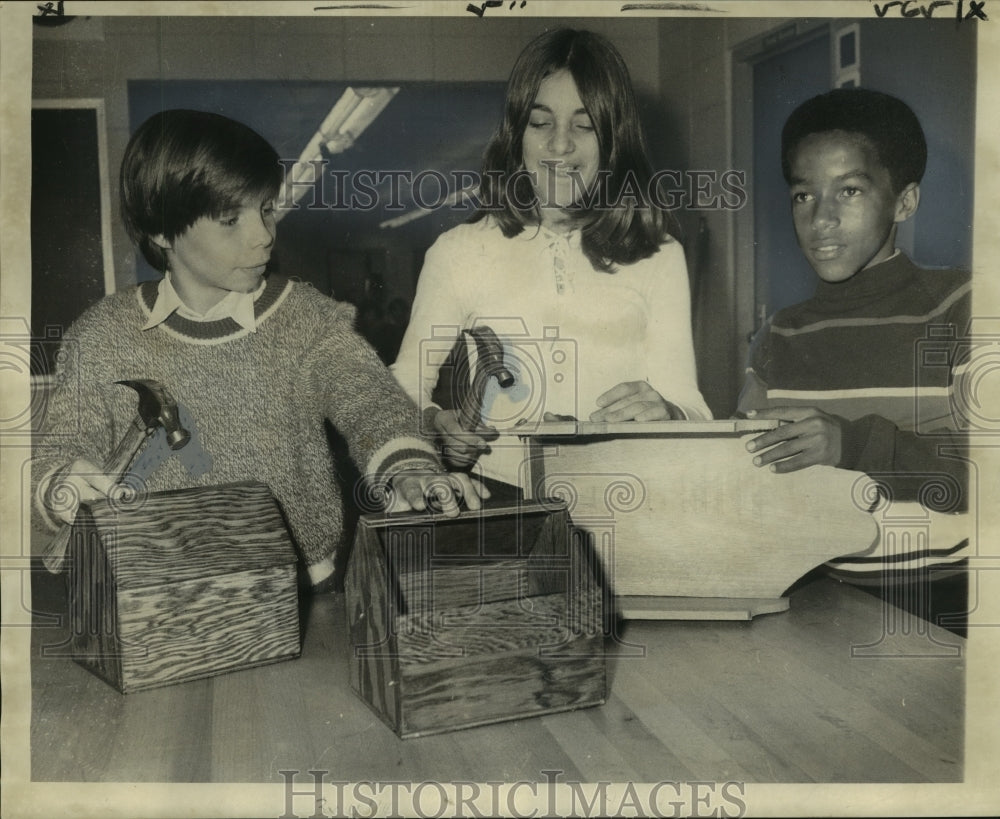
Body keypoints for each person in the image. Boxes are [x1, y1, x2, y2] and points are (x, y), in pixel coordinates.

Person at [32, 109, 484, 592]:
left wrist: (410, 470)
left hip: (307, 594)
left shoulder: (307, 320)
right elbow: (60, 452)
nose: (264, 235)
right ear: (162, 231)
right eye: (230, 220)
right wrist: (63, 487)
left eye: (266, 208)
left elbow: (372, 403)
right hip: (162, 598)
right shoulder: (100, 336)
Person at [390, 28, 710, 489]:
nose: (560, 145)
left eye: (584, 125)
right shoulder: (461, 251)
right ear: (516, 135)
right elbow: (402, 384)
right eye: (541, 123)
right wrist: (434, 423)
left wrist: (671, 412)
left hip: (623, 498)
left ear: (614, 140)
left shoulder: (658, 256)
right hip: (504, 502)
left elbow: (691, 405)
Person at [737, 88, 971, 630]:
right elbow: (746, 474)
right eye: (803, 195)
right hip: (812, 600)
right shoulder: (782, 333)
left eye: (849, 191)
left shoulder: (961, 306)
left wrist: (852, 444)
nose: (821, 219)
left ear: (904, 201)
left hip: (943, 603)